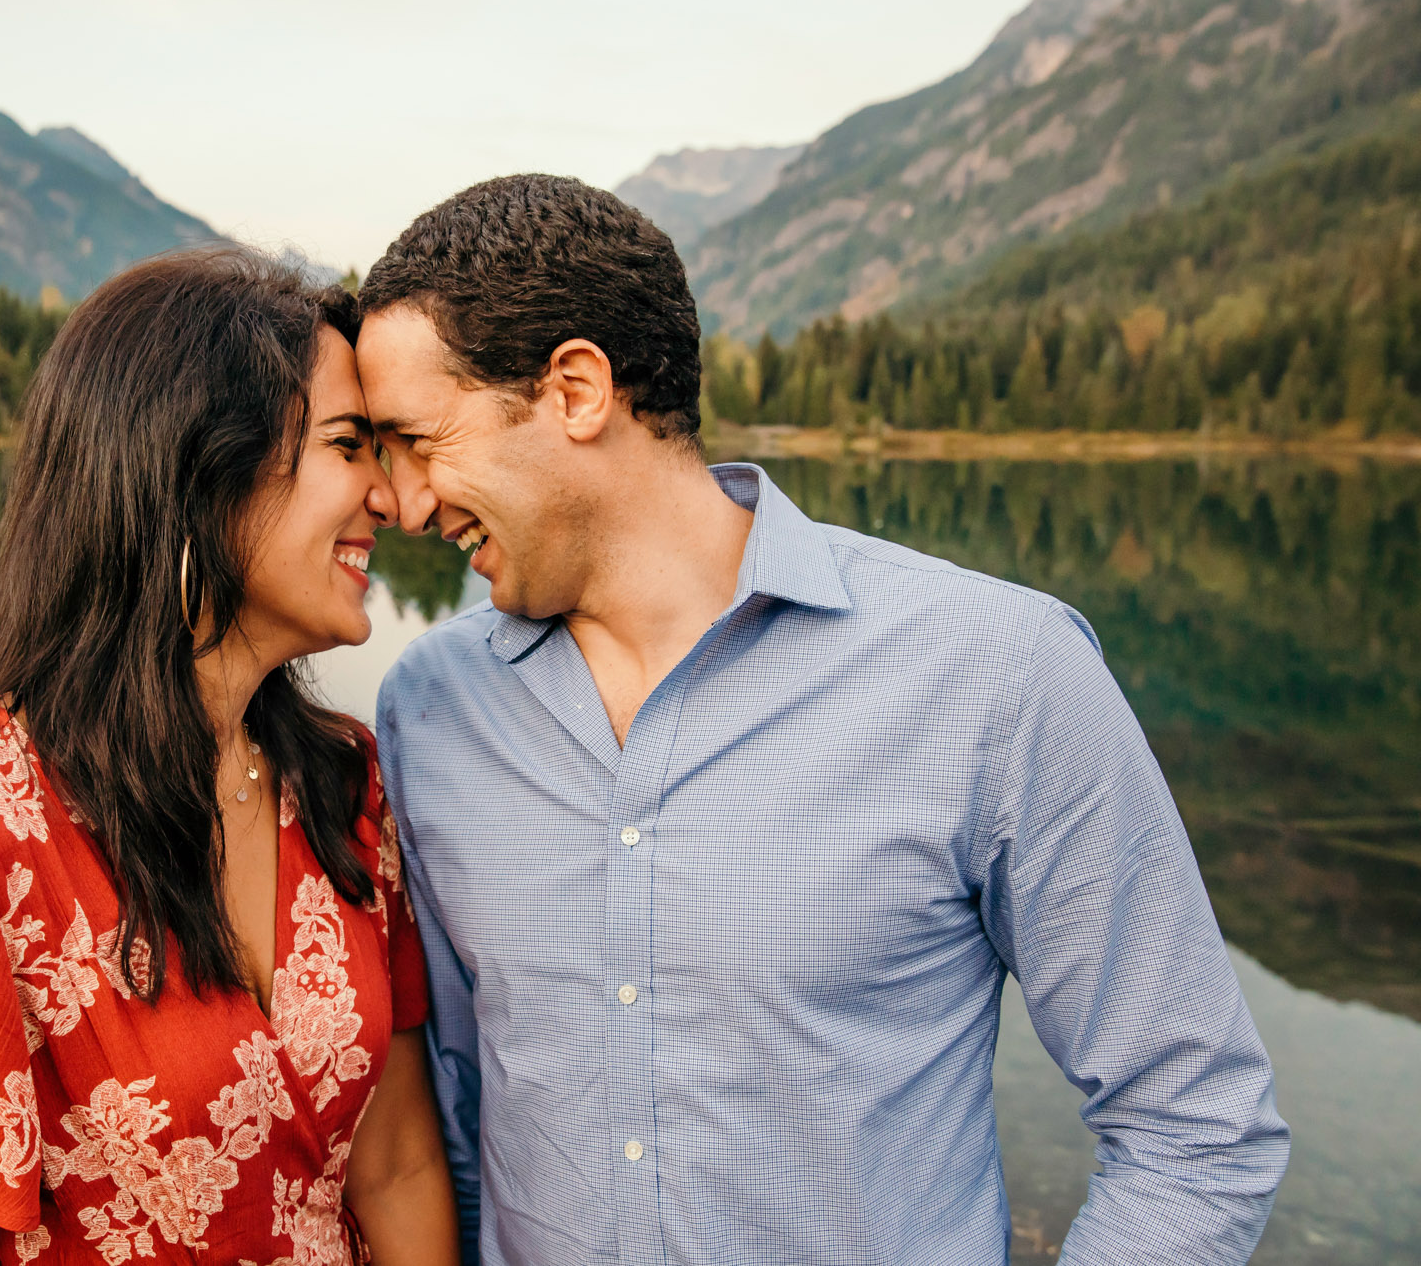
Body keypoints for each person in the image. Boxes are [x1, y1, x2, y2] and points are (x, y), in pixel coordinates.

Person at [355, 174, 1290, 1265]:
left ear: (574, 389)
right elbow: (457, 1117)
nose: (406, 502)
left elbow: (1194, 1125)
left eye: (418, 440)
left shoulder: (998, 673)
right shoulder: (430, 708)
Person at [0, 247, 458, 1265]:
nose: (390, 495)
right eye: (345, 445)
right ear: (198, 470)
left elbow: (397, 1161)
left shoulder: (342, 784)